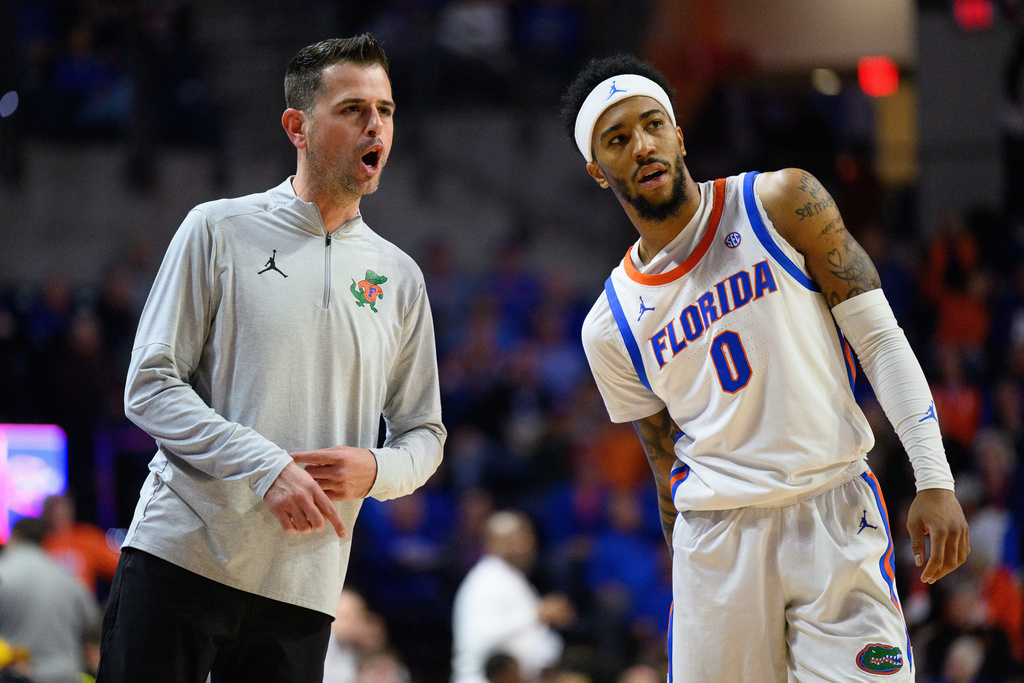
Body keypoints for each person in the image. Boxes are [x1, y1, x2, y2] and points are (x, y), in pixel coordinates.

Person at [561, 54, 970, 681]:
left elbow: (881, 340)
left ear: (678, 131)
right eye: (618, 140)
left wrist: (933, 477)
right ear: (597, 170)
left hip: (833, 510)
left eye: (652, 124)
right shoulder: (608, 323)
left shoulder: (779, 201)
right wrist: (695, 577)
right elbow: (662, 455)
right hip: (718, 546)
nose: (642, 146)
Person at [95, 34, 446, 683]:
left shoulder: (400, 278)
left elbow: (425, 435)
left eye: (386, 110)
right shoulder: (218, 228)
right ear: (298, 126)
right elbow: (148, 385)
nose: (376, 125)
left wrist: (375, 467)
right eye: (352, 109)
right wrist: (263, 463)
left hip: (303, 588)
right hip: (182, 555)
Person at [451, 511, 575, 683]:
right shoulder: (485, 579)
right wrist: (537, 614)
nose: (525, 544)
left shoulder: (512, 577)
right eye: (514, 538)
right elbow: (478, 637)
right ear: (492, 542)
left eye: (526, 535)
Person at [0, 517, 102, 683]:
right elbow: (93, 625)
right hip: (67, 676)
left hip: (17, 676)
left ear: (14, 537)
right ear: (44, 540)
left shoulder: (4, 571)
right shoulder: (68, 577)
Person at [40, 493, 120, 597]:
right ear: (45, 514)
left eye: (63, 509)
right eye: (53, 510)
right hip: (50, 604)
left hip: (80, 606)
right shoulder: (40, 543)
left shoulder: (86, 538)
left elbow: (120, 567)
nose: (59, 513)